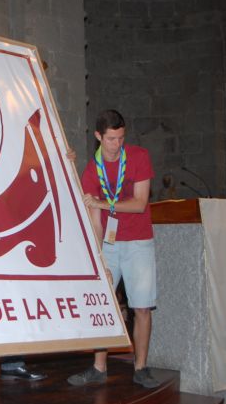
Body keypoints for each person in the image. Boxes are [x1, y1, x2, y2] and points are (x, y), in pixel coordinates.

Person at [68, 109, 160, 389]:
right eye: (110, 139)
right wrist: (99, 259)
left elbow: (141, 202)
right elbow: (96, 223)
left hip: (139, 241)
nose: (116, 144)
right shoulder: (91, 169)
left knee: (142, 307)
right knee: (103, 303)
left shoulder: (139, 156)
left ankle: (141, 367)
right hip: (109, 243)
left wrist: (104, 204)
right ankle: (99, 367)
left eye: (120, 138)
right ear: (98, 136)